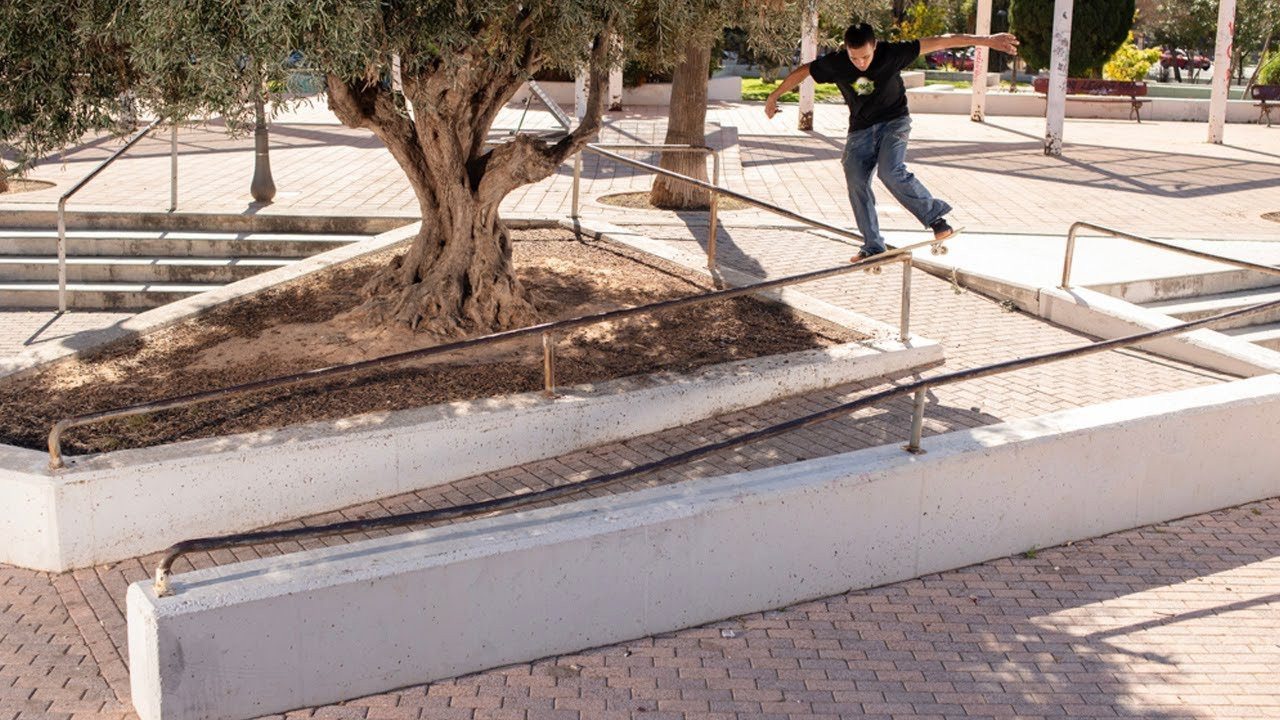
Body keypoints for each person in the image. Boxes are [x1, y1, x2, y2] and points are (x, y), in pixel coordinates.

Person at [765, 23, 1019, 260]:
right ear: (846, 50)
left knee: (890, 171)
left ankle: (937, 220)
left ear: (875, 45)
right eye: (855, 58)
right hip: (860, 130)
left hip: (894, 123)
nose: (861, 63)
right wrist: (773, 96)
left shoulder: (893, 53)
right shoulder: (836, 63)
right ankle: (873, 246)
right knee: (855, 178)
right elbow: (804, 70)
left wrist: (986, 40)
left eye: (865, 56)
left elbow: (943, 41)